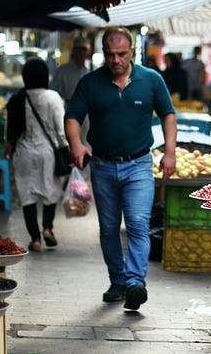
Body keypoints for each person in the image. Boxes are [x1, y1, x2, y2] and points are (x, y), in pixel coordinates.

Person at [65, 27, 177, 311]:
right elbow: (73, 116)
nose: (116, 60)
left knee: (138, 224)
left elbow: (168, 115)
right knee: (109, 229)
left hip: (139, 165)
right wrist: (76, 144)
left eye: (122, 54)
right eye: (111, 54)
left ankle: (135, 282)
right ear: (103, 53)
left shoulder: (151, 80)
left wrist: (170, 153)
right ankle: (117, 281)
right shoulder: (91, 83)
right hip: (102, 166)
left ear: (132, 52)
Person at [5, 58, 68, 253]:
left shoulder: (16, 99)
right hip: (47, 152)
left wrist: (8, 147)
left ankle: (35, 239)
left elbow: (9, 131)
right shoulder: (52, 97)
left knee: (27, 195)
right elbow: (60, 129)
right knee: (51, 191)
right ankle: (48, 228)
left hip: (23, 152)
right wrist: (67, 150)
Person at [50, 36, 90, 101]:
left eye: (84, 50)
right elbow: (54, 91)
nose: (81, 53)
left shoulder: (93, 69)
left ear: (88, 51)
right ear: (74, 50)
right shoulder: (62, 71)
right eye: (78, 49)